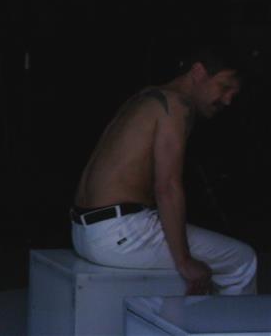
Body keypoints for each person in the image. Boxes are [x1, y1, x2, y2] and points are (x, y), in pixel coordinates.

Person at [71, 44, 257, 295]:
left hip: (84, 232)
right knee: (242, 260)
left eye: (233, 94)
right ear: (198, 71)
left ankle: (195, 317)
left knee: (207, 259)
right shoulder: (176, 104)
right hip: (119, 234)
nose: (227, 100)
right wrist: (184, 261)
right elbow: (167, 187)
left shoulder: (146, 97)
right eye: (224, 87)